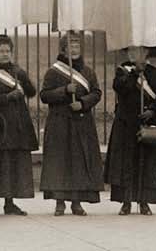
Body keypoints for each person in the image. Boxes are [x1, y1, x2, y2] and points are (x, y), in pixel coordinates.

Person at [39, 31, 103, 216]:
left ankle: (77, 202)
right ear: (64, 50)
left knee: (78, 162)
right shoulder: (53, 71)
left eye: (77, 46)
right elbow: (44, 95)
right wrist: (64, 91)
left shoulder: (88, 71)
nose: (74, 50)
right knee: (60, 162)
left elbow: (97, 93)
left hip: (81, 122)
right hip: (60, 122)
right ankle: (60, 202)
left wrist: (82, 103)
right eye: (70, 47)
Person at [103, 45, 156, 215]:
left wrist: (153, 111)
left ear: (145, 53)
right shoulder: (122, 71)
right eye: (129, 51)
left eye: (136, 51)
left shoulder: (155, 72)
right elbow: (120, 88)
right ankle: (126, 202)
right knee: (126, 164)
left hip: (146, 123)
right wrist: (134, 74)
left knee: (146, 164)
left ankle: (144, 201)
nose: (131, 54)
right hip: (126, 124)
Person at [0, 34, 37, 216]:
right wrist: (7, 97)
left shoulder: (16, 72)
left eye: (8, 51)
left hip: (18, 125)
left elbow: (31, 92)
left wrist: (23, 78)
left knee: (13, 164)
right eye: (1, 51)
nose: (5, 54)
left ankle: (9, 202)